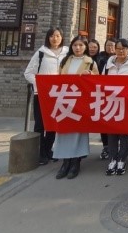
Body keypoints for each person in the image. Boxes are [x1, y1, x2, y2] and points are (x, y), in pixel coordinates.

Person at [53, 36, 99, 179]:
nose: (77, 48)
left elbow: (98, 81)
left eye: (80, 45)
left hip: (81, 102)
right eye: (75, 45)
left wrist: (90, 75)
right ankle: (65, 162)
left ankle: (75, 162)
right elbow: (57, 78)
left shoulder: (90, 62)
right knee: (64, 132)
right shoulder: (65, 61)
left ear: (85, 47)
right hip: (65, 101)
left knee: (78, 132)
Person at [24, 27, 69, 165]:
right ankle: (41, 153)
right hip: (42, 95)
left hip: (59, 95)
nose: (55, 38)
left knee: (53, 124)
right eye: (52, 36)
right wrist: (41, 84)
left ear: (62, 37)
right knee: (40, 124)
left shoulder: (67, 53)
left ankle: (49, 150)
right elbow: (28, 73)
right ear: (48, 38)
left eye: (58, 36)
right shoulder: (41, 53)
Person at [104, 38, 128, 176]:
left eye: (124, 48)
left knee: (124, 132)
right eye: (118, 48)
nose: (121, 51)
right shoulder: (108, 64)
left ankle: (122, 159)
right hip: (111, 102)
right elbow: (101, 82)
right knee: (112, 132)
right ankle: (112, 159)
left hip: (127, 103)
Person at [97, 38, 116, 159]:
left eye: (113, 45)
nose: (110, 48)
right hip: (103, 93)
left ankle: (115, 148)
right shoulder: (100, 59)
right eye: (108, 45)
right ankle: (106, 147)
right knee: (104, 122)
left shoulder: (121, 60)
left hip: (119, 96)